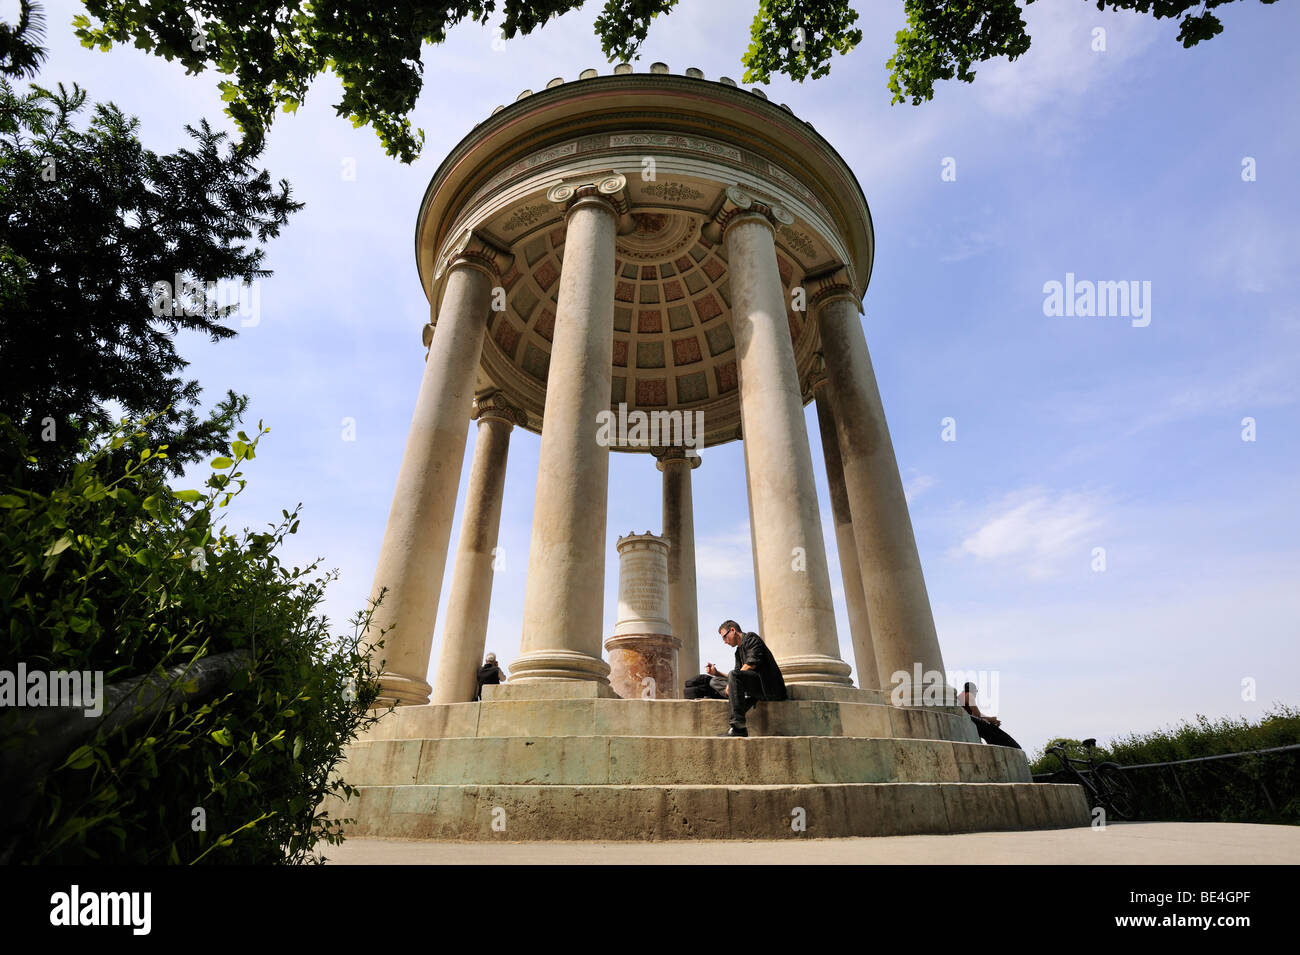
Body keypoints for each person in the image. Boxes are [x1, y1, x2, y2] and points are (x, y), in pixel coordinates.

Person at [707, 619, 786, 737]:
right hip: (754, 688)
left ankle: (739, 728)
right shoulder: (737, 652)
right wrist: (717, 673)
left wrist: (731, 682)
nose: (724, 641)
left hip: (770, 688)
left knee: (733, 676)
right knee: (714, 681)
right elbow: (736, 675)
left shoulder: (751, 638)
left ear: (732, 630)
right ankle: (739, 697)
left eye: (724, 637)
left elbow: (751, 663)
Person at [957, 681, 1022, 749]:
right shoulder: (969, 695)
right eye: (976, 691)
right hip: (968, 722)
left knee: (989, 727)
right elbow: (977, 714)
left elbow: (976, 714)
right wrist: (991, 720)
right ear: (973, 690)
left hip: (965, 721)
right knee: (993, 730)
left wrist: (990, 719)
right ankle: (1013, 746)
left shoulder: (960, 696)